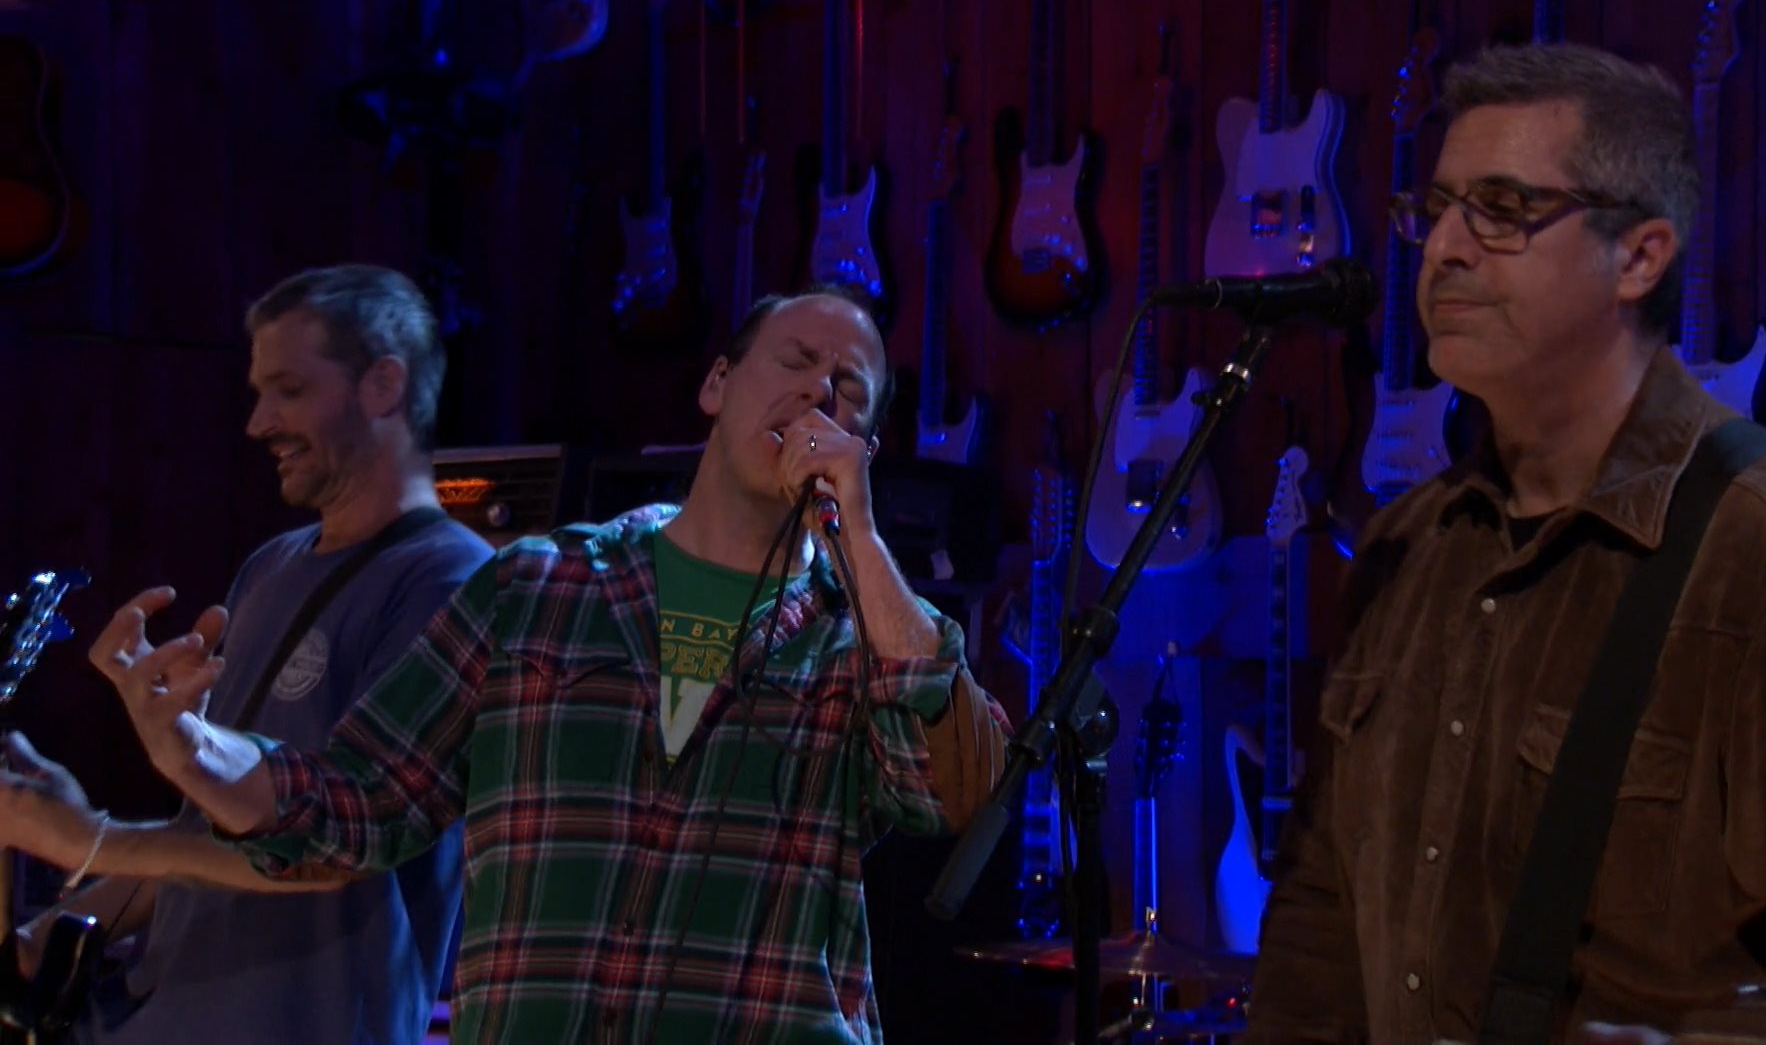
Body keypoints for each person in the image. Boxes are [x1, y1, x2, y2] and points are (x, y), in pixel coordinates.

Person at [67, 288, 1011, 1043]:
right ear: (718, 384)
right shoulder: (537, 585)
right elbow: (358, 802)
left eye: (849, 389)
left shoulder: (870, 632)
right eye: (795, 362)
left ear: (865, 445)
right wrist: (192, 753)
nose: (817, 394)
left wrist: (860, 535)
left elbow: (956, 792)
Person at [1247, 43, 1766, 1043]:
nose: (1444, 250)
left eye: (1502, 209)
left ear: (1640, 257)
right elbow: (1320, 923)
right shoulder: (1407, 548)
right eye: (1436, 209)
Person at [1, 264, 493, 1043]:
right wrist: (48, 933)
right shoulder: (272, 565)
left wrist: (84, 836)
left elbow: (332, 849)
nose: (258, 423)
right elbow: (209, 836)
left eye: (289, 390)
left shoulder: (452, 581)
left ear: (383, 386)